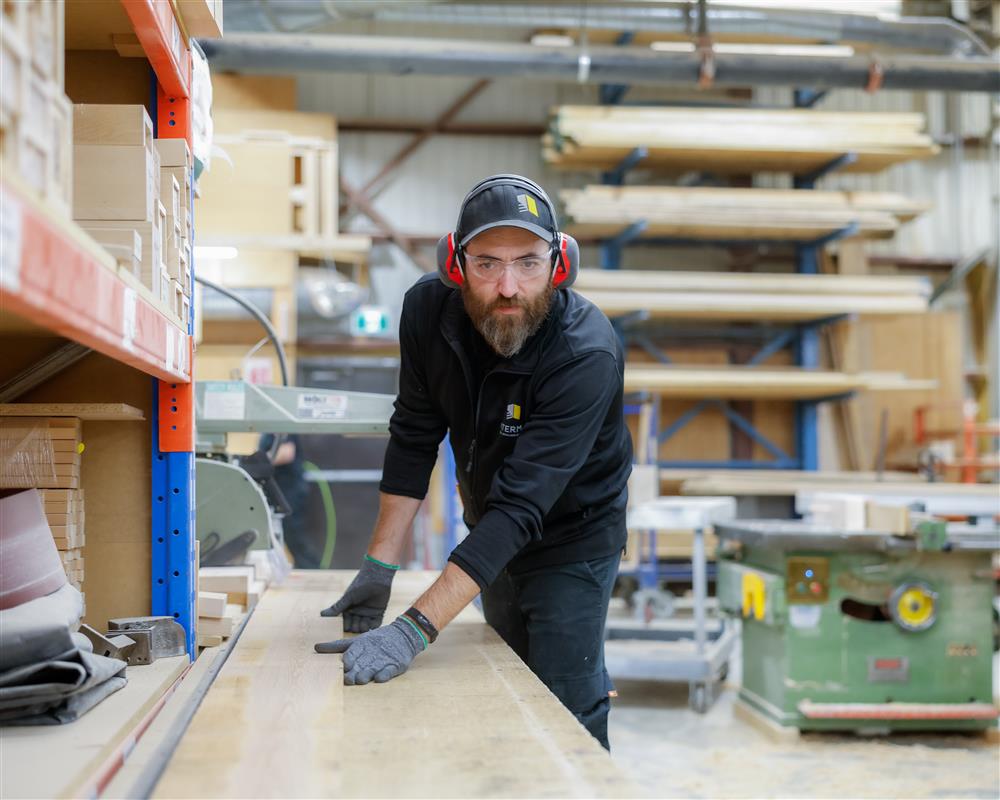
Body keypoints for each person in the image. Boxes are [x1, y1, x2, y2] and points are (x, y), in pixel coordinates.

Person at [314, 174, 633, 750]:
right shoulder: (425, 313)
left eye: (528, 262)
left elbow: (521, 508)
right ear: (454, 264)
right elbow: (414, 436)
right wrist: (379, 568)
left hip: (572, 541)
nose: (508, 286)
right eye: (487, 263)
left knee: (562, 702)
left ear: (560, 265)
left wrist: (411, 631)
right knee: (506, 684)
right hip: (490, 531)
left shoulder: (587, 354)